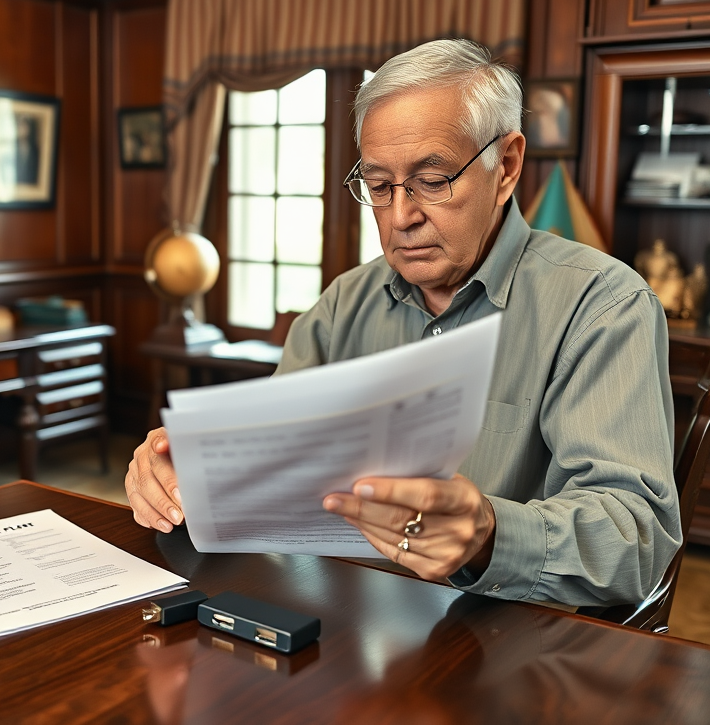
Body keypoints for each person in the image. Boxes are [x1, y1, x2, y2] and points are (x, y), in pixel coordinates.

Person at [125, 39, 680, 608]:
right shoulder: (344, 305)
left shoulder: (601, 306)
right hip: (348, 624)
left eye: (433, 180)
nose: (401, 216)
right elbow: (272, 473)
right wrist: (184, 475)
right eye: (378, 185)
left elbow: (635, 540)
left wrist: (489, 535)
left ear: (506, 166)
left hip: (511, 645)